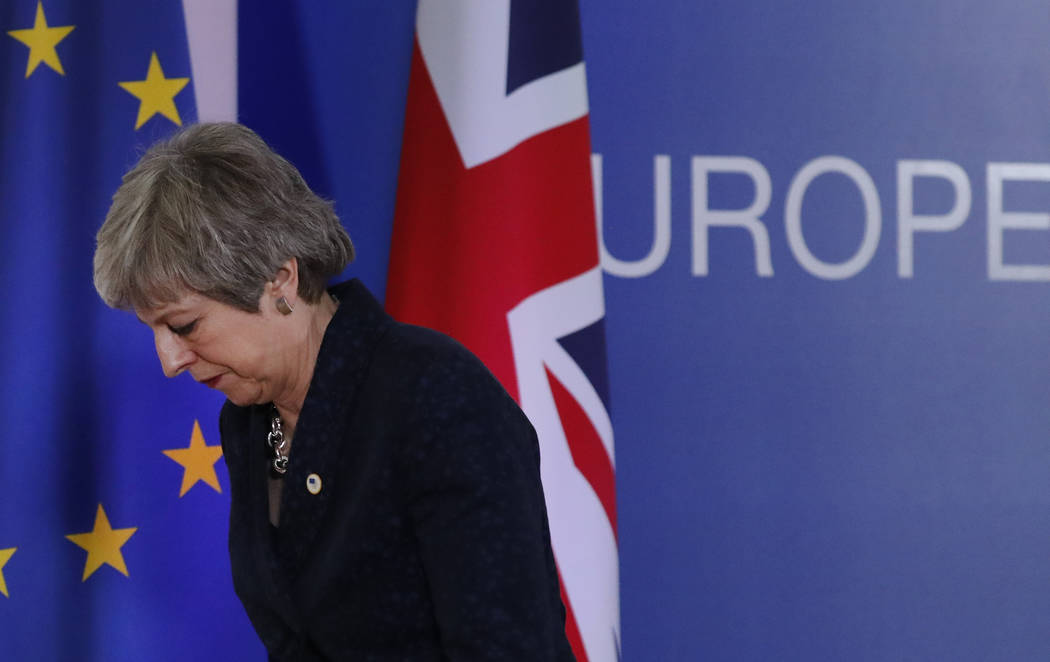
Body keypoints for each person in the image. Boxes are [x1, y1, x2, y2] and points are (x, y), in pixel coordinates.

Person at [93, 122, 576, 661]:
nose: (170, 361)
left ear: (279, 280)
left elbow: (508, 647)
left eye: (183, 326)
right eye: (152, 331)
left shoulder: (436, 396)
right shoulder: (251, 420)